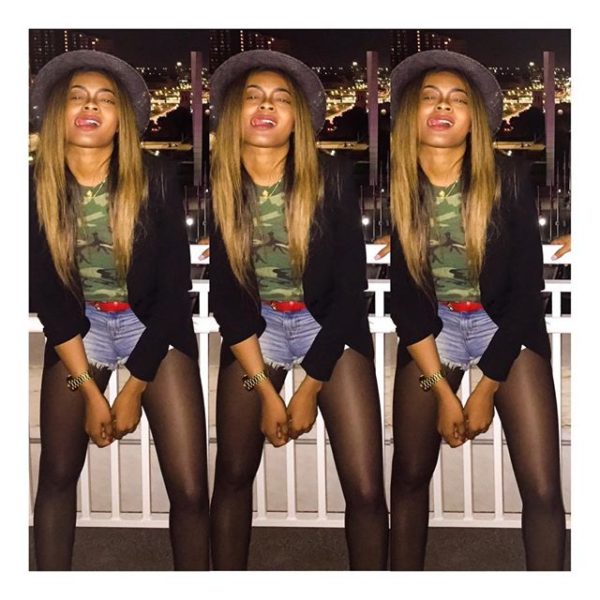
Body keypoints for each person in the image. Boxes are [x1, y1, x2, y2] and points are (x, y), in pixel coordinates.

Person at [208, 50, 388, 570]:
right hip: (255, 334)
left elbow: (350, 292)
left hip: (328, 330)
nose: (266, 106)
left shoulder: (331, 177)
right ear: (235, 114)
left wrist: (309, 387)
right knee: (233, 475)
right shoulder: (223, 184)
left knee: (365, 486)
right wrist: (267, 393)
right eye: (254, 97)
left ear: (298, 119)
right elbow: (226, 298)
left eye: (280, 99)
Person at [29, 50, 209, 570]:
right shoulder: (34, 187)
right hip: (77, 333)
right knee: (57, 475)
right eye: (79, 97)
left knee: (190, 487)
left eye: (105, 99)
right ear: (59, 112)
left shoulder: (155, 178)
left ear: (121, 119)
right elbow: (49, 299)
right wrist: (91, 393)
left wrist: (132, 389)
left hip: (152, 329)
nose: (91, 106)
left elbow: (173, 294)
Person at [388, 50, 565, 570]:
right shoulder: (401, 187)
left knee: (542, 486)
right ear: (412, 115)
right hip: (432, 337)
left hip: (504, 331)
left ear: (474, 119)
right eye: (431, 97)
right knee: (410, 475)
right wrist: (445, 396)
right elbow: (406, 304)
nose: (443, 107)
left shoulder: (507, 178)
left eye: (457, 100)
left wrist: (485, 388)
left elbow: (526, 293)